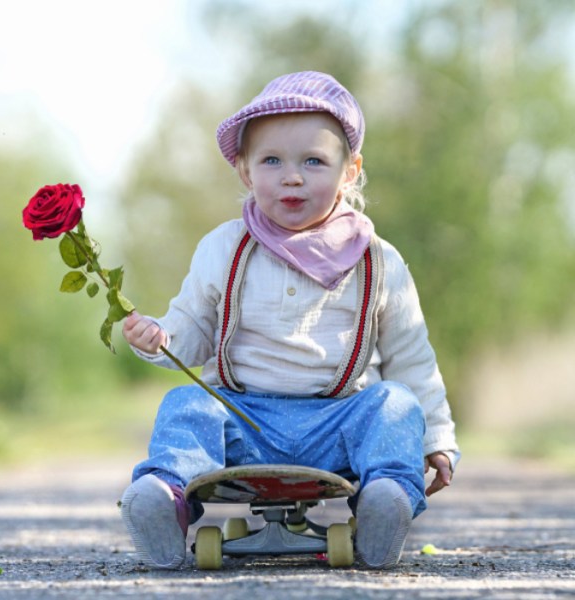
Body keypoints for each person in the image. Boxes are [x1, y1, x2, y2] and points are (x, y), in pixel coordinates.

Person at [119, 71, 460, 570]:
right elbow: (191, 331)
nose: (292, 176)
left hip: (337, 423)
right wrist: (159, 337)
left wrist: (436, 441)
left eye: (314, 162)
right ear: (244, 170)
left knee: (393, 402)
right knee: (187, 403)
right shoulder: (224, 247)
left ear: (350, 170)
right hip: (244, 421)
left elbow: (412, 356)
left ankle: (385, 501)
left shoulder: (378, 260)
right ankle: (164, 500)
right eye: (271, 161)